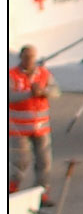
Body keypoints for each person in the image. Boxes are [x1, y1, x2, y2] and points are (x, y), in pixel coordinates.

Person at [9, 46, 51, 194]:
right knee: (20, 162)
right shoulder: (11, 75)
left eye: (32, 57)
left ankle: (42, 192)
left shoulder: (44, 73)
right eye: (26, 57)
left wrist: (43, 92)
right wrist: (29, 93)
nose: (29, 60)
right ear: (20, 57)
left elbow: (56, 91)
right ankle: (12, 189)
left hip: (41, 127)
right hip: (19, 128)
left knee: (44, 162)